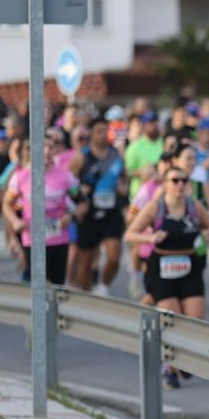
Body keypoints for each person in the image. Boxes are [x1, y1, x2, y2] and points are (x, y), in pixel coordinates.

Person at [125, 163, 209, 388]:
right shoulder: (156, 207)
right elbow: (130, 234)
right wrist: (150, 238)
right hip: (162, 269)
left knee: (195, 321)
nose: (180, 185)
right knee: (172, 320)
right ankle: (170, 367)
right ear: (164, 184)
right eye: (174, 180)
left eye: (184, 180)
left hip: (189, 265)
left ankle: (182, 360)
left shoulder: (194, 207)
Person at [5, 131, 80, 286]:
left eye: (50, 147)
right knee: (39, 285)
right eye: (42, 147)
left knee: (57, 285)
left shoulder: (66, 176)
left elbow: (81, 202)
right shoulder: (20, 177)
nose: (46, 152)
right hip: (32, 239)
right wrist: (15, 221)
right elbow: (6, 204)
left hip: (59, 238)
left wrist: (71, 215)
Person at [68, 119, 126, 293]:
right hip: (89, 213)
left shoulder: (116, 154)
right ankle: (86, 295)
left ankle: (103, 287)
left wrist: (123, 186)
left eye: (105, 130)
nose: (102, 134)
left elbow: (124, 177)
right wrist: (79, 195)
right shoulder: (82, 156)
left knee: (115, 256)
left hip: (111, 212)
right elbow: (69, 183)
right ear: (91, 134)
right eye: (98, 131)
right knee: (85, 261)